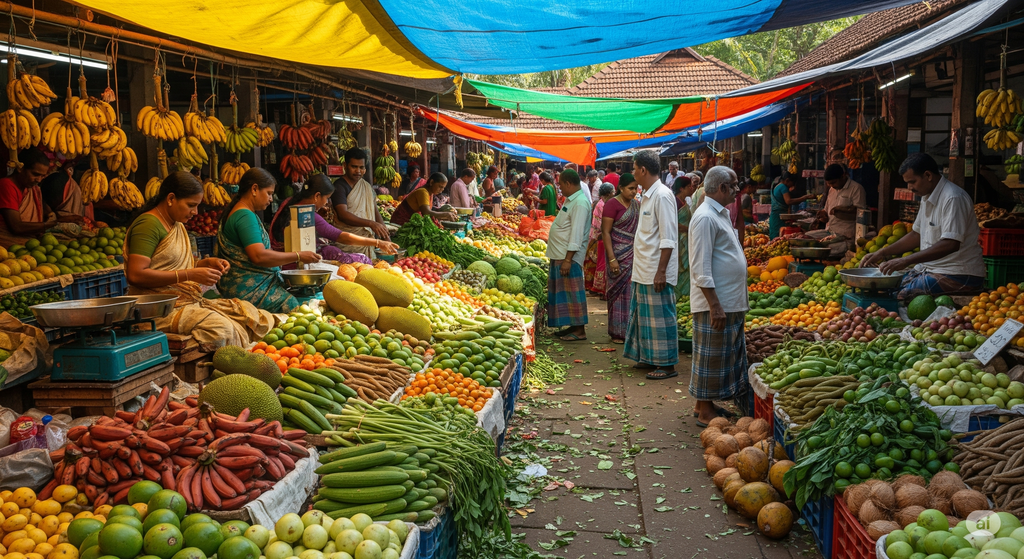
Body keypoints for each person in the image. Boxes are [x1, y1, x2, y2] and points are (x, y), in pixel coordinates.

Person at [124, 171, 274, 350]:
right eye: (191, 205)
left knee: (253, 317)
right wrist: (190, 273)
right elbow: (136, 274)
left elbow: (172, 266)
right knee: (222, 329)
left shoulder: (175, 223)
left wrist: (205, 264)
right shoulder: (148, 224)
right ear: (171, 198)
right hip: (157, 309)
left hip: (186, 301)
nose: (195, 212)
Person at [860, 153, 985, 300]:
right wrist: (881, 253)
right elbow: (916, 234)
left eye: (912, 182)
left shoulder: (953, 198)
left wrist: (905, 260)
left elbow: (951, 244)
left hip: (958, 274)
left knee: (899, 296)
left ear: (928, 175)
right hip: (930, 269)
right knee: (887, 286)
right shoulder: (926, 197)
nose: (909, 187)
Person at [688, 166, 750, 426]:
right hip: (717, 301)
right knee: (711, 357)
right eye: (734, 185)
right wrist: (715, 305)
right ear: (722, 187)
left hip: (728, 299)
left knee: (717, 355)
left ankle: (705, 404)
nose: (737, 190)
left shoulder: (719, 213)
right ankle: (705, 413)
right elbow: (700, 267)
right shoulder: (705, 217)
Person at [216, 168, 321, 312]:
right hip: (248, 290)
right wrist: (298, 255)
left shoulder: (240, 211)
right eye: (269, 193)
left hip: (242, 286)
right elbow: (259, 256)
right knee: (292, 304)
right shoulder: (244, 216)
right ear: (254, 189)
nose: (271, 199)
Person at [624, 152, 678, 379]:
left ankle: (666, 365)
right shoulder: (648, 195)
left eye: (635, 168)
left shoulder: (663, 196)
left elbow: (668, 238)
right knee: (645, 317)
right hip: (644, 268)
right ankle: (649, 358)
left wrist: (661, 272)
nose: (633, 173)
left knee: (660, 318)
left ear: (643, 170)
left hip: (656, 270)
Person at [270, 174, 398, 265]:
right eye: (326, 198)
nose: (327, 203)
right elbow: (342, 237)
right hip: (296, 263)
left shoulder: (289, 202)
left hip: (281, 258)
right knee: (361, 259)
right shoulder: (308, 215)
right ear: (316, 196)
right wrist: (378, 243)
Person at [546, 169, 592, 342]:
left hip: (568, 257)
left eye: (560, 185)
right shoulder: (571, 200)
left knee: (573, 293)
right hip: (561, 254)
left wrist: (568, 259)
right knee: (564, 293)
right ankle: (572, 326)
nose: (559, 188)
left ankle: (580, 330)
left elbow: (577, 234)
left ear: (568, 183)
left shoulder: (580, 203)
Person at [329, 148, 390, 259]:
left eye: (361, 167)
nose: (358, 171)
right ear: (345, 165)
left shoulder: (366, 186)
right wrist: (370, 224)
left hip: (367, 243)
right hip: (348, 244)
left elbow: (375, 211)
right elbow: (343, 215)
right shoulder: (339, 186)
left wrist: (387, 239)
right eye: (354, 167)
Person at [602, 174, 639, 343]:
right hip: (617, 253)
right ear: (621, 188)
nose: (634, 192)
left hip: (633, 254)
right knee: (617, 294)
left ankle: (629, 331)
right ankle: (617, 331)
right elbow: (606, 232)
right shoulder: (612, 204)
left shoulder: (636, 205)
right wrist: (611, 258)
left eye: (635, 188)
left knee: (631, 293)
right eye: (630, 188)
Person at [0, 147, 64, 236]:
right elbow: (16, 227)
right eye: (35, 174)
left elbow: (43, 205)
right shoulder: (6, 185)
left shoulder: (31, 188)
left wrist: (52, 215)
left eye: (42, 176)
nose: (39, 180)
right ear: (20, 168)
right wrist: (49, 225)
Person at [389, 172, 458, 226]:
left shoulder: (430, 193)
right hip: (400, 224)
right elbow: (426, 213)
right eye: (440, 187)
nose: (442, 190)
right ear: (431, 182)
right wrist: (445, 215)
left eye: (443, 188)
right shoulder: (422, 192)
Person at [818, 164, 866, 239]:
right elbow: (827, 210)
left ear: (843, 176)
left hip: (846, 236)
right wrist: (823, 215)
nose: (831, 185)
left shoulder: (856, 189)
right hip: (829, 231)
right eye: (829, 183)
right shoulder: (832, 189)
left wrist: (842, 211)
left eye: (833, 182)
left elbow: (860, 215)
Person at [584, 183, 615, 296]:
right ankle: (598, 288)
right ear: (608, 194)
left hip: (596, 236)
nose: (614, 193)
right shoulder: (603, 205)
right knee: (599, 262)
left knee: (596, 262)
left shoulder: (601, 203)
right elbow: (603, 224)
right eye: (613, 192)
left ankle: (594, 286)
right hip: (599, 237)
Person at [769, 172, 812, 238]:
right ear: (787, 180)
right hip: (779, 217)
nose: (792, 186)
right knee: (779, 238)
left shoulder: (778, 186)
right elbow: (788, 201)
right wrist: (804, 197)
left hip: (775, 216)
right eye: (792, 183)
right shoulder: (783, 187)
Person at [674, 176, 697, 297]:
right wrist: (689, 229)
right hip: (679, 240)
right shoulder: (675, 202)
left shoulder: (684, 202)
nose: (691, 189)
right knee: (680, 268)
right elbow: (673, 223)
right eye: (689, 186)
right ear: (682, 188)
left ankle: (686, 294)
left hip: (686, 239)